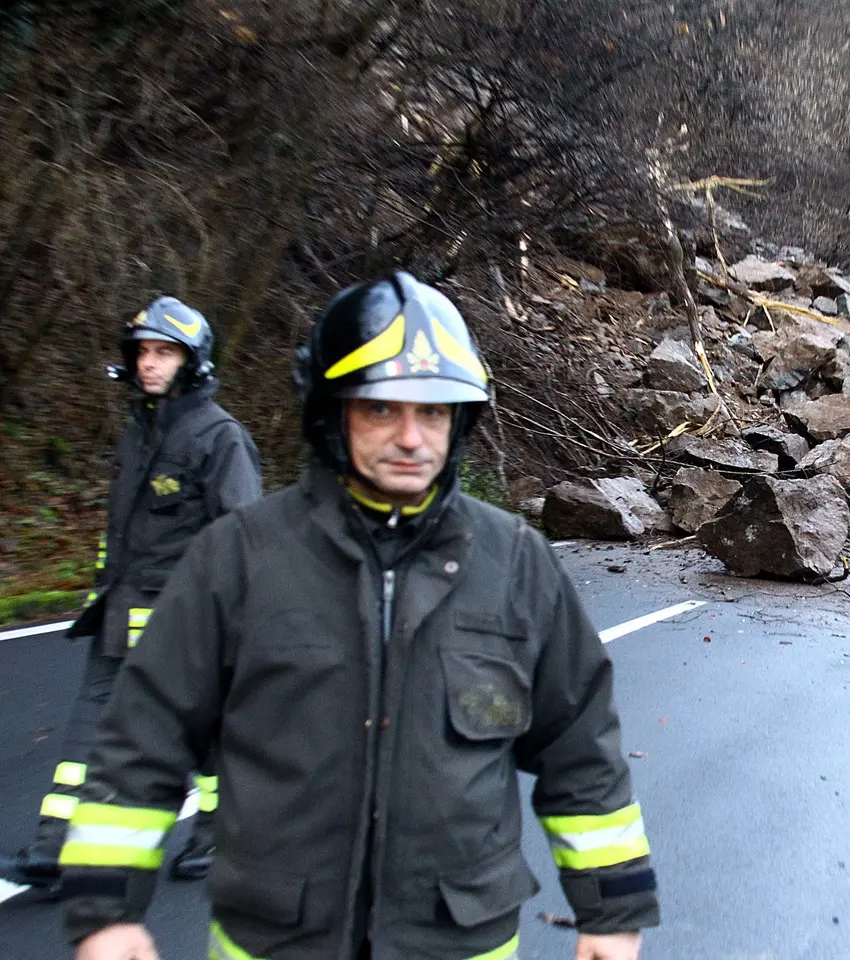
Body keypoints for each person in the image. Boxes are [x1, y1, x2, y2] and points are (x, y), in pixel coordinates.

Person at [60, 272, 659, 960]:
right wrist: (106, 910)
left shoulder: (518, 562)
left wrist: (612, 912)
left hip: (457, 939)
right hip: (276, 936)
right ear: (331, 413)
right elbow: (145, 735)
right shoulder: (239, 557)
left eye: (433, 412)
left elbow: (582, 750)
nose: (412, 437)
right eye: (382, 409)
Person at [0, 297, 261, 890]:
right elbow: (119, 532)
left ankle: (220, 833)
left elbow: (242, 538)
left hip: (185, 623)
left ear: (191, 362)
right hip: (120, 617)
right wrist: (103, 590)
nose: (149, 363)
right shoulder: (137, 436)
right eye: (143, 351)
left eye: (163, 352)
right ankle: (54, 850)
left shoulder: (221, 439)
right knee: (88, 736)